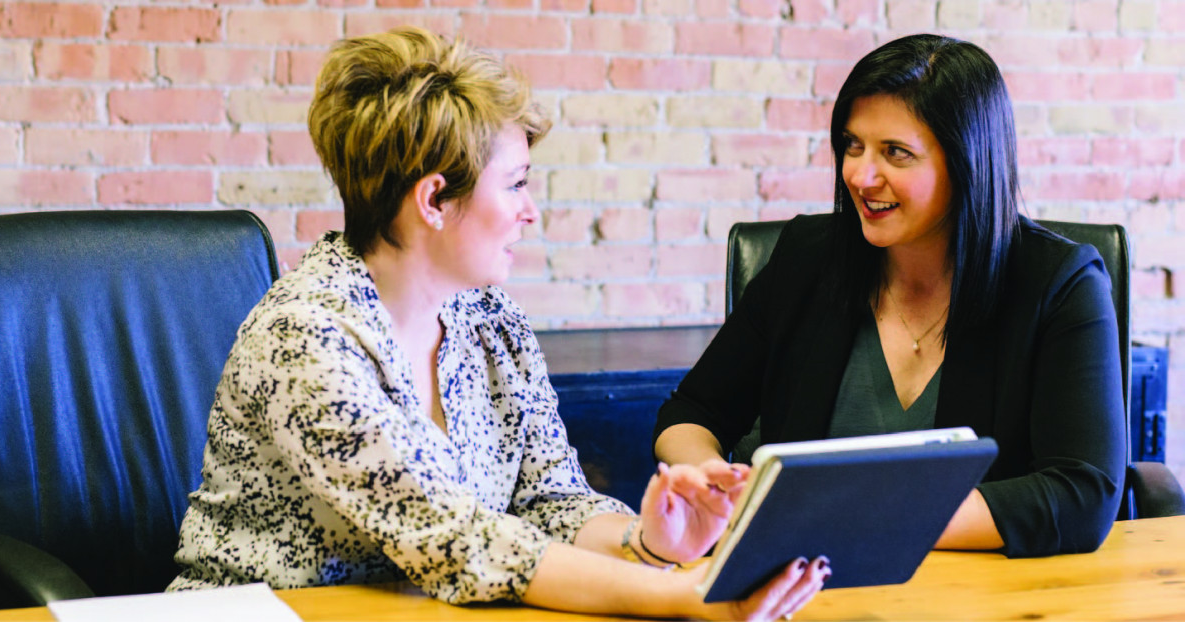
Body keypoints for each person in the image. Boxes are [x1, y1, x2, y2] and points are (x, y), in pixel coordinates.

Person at [167, 26, 829, 619]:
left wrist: (649, 542)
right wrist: (685, 595)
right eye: (515, 183)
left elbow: (551, 502)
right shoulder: (306, 338)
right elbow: (459, 541)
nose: (530, 211)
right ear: (434, 199)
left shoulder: (491, 321)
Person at [653, 34, 1125, 558]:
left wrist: (853, 519)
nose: (860, 174)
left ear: (967, 161)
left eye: (895, 153)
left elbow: (1082, 492)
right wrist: (710, 482)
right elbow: (692, 412)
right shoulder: (808, 258)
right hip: (802, 587)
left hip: (983, 596)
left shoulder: (1060, 283)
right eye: (853, 146)